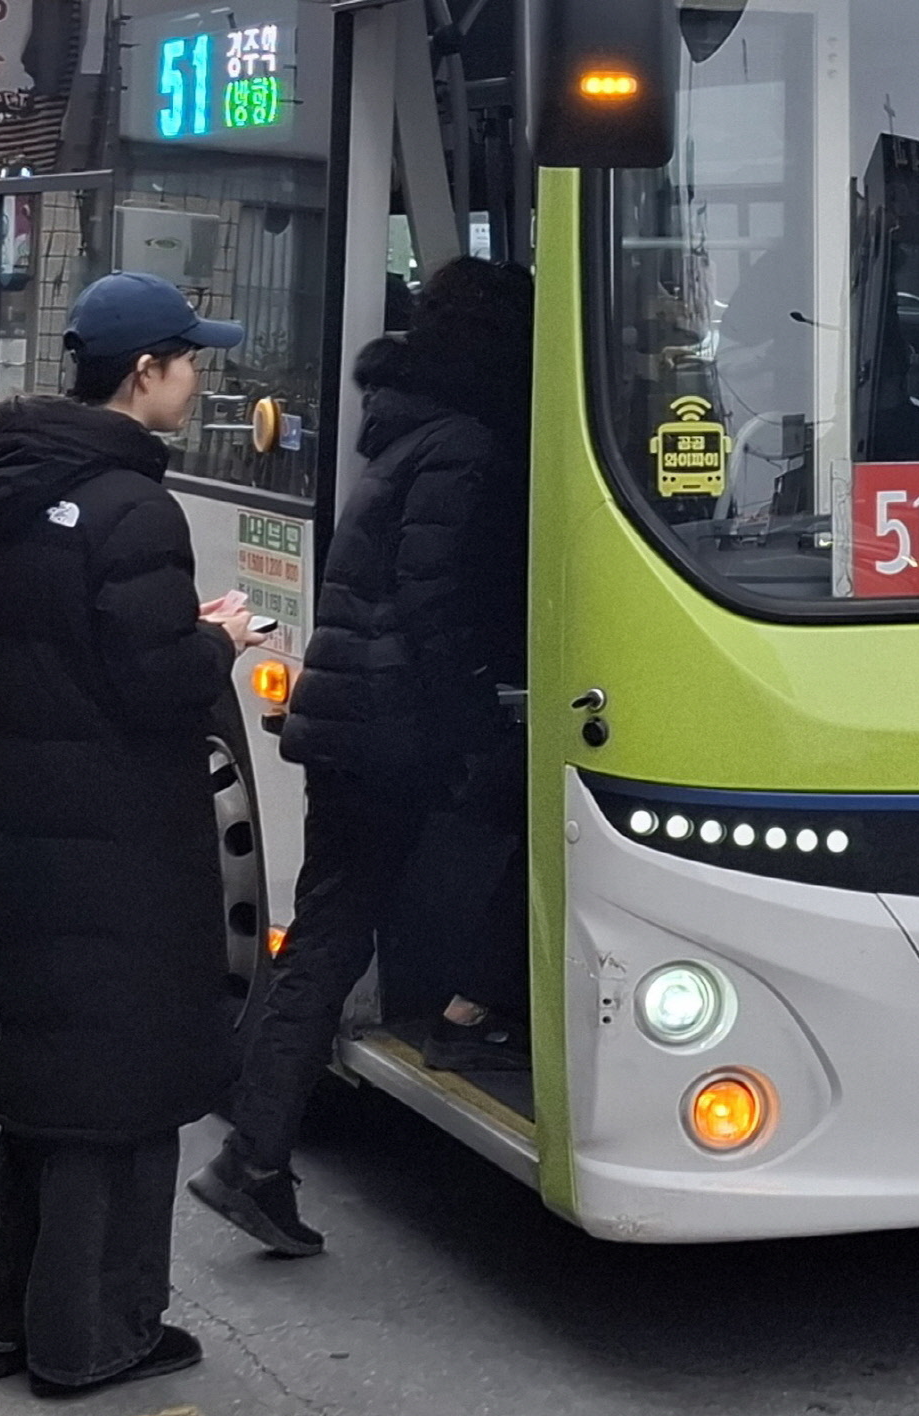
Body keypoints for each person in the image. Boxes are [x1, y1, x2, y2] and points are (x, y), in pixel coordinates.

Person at [190, 256, 534, 1260]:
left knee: (335, 925)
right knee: (341, 930)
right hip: (389, 723)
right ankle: (253, 1155)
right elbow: (434, 605)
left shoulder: (403, 424)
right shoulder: (464, 444)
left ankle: (252, 1147)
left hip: (352, 716)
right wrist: (475, 712)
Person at [0, 271, 261, 1397]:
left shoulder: (16, 482)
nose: (199, 379)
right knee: (124, 1088)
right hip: (126, 838)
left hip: (38, 822)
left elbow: (51, 655)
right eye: (191, 360)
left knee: (47, 1077)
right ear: (146, 371)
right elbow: (152, 685)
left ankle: (15, 1324)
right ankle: (96, 1336)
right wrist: (218, 636)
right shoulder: (137, 506)